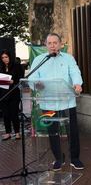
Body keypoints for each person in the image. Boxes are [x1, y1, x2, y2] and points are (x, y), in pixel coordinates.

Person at [28, 33, 84, 171]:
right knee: (53, 132)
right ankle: (58, 158)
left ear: (60, 44)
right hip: (49, 103)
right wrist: (36, 84)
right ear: (46, 45)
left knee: (72, 131)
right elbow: (32, 78)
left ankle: (75, 158)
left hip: (67, 102)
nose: (53, 45)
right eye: (50, 43)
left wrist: (77, 83)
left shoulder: (68, 58)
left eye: (55, 42)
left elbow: (75, 72)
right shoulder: (39, 60)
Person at [0, 50, 24, 140]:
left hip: (13, 93)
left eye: (6, 57)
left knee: (14, 113)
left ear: (10, 57)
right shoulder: (1, 66)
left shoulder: (16, 66)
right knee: (6, 114)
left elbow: (21, 78)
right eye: (2, 58)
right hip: (3, 93)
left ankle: (17, 132)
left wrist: (14, 81)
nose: (4, 59)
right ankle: (8, 132)